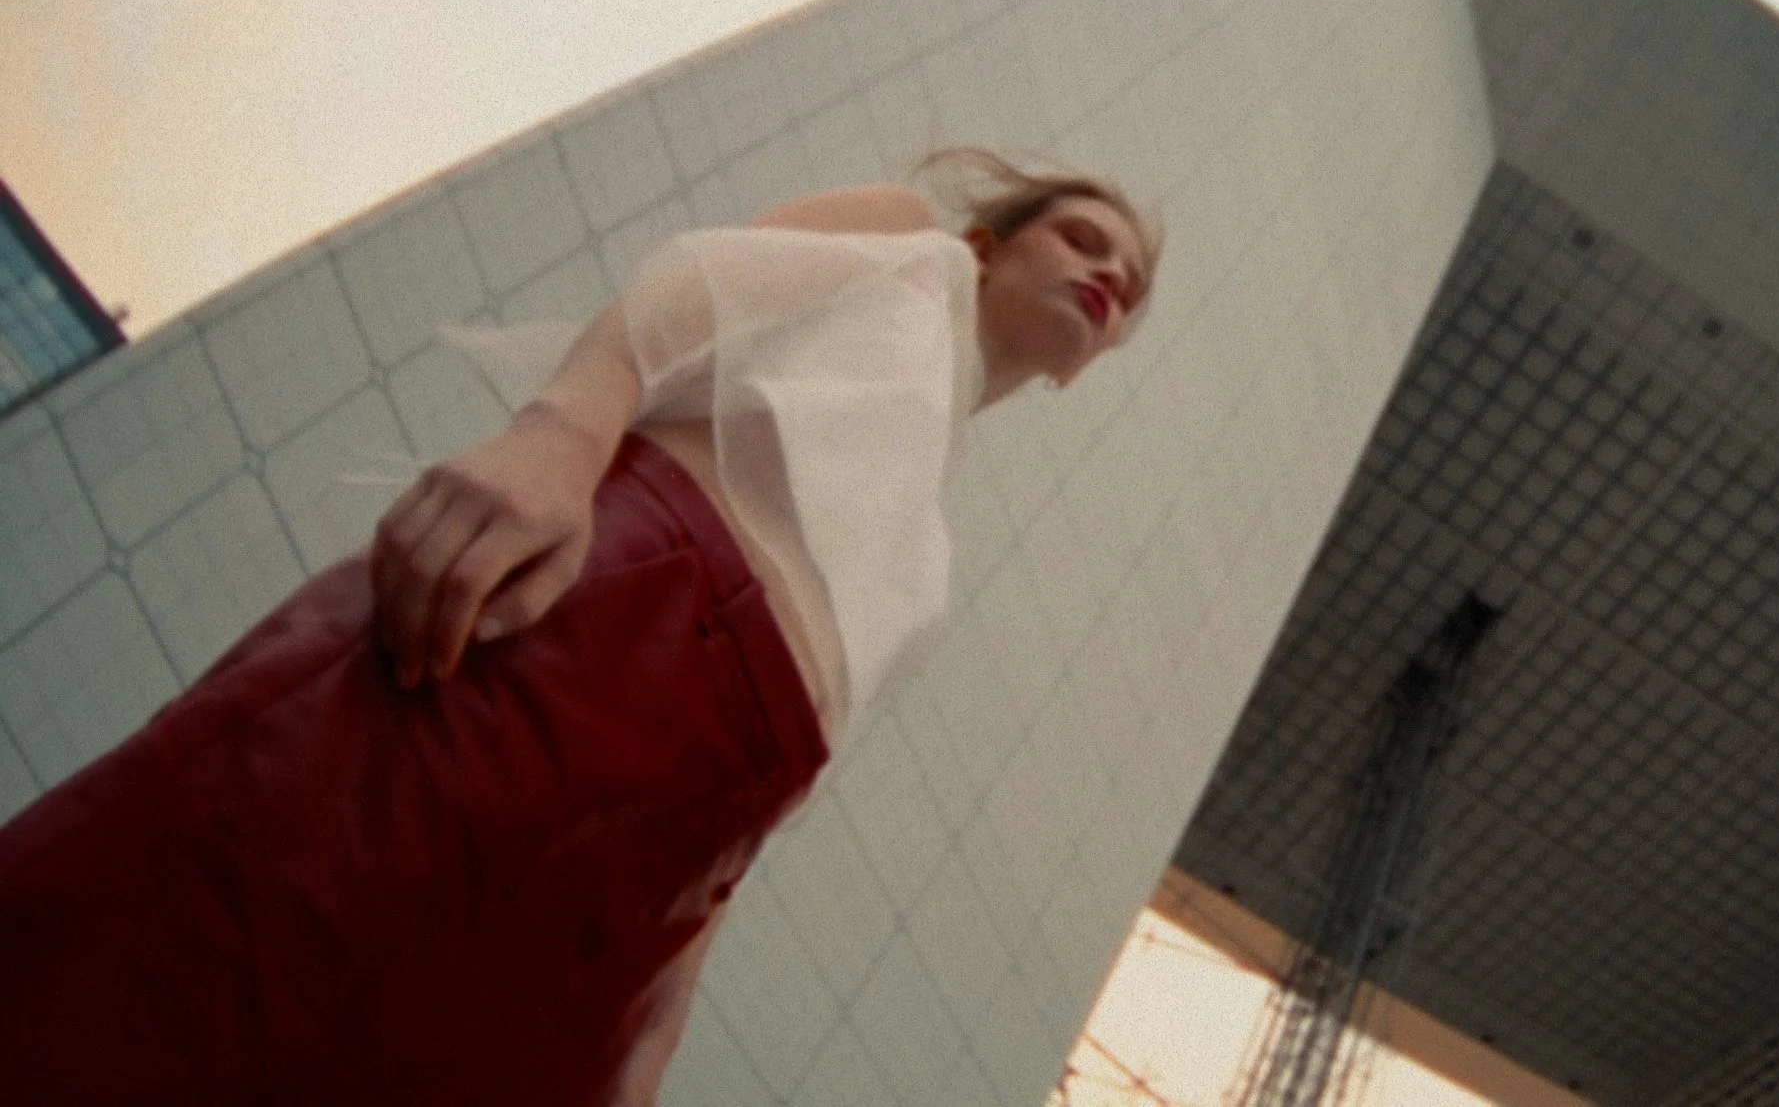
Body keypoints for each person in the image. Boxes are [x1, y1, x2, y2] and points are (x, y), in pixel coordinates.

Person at [0, 147, 1159, 1106]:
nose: (1107, 270)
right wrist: (559, 436)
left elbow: (763, 813)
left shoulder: (929, 562)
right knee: (188, 948)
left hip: (654, 868)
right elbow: (696, 283)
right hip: (587, 639)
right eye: (1081, 237)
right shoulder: (908, 244)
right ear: (987, 243)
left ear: (1093, 362)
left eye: (1130, 281)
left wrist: (652, 1026)